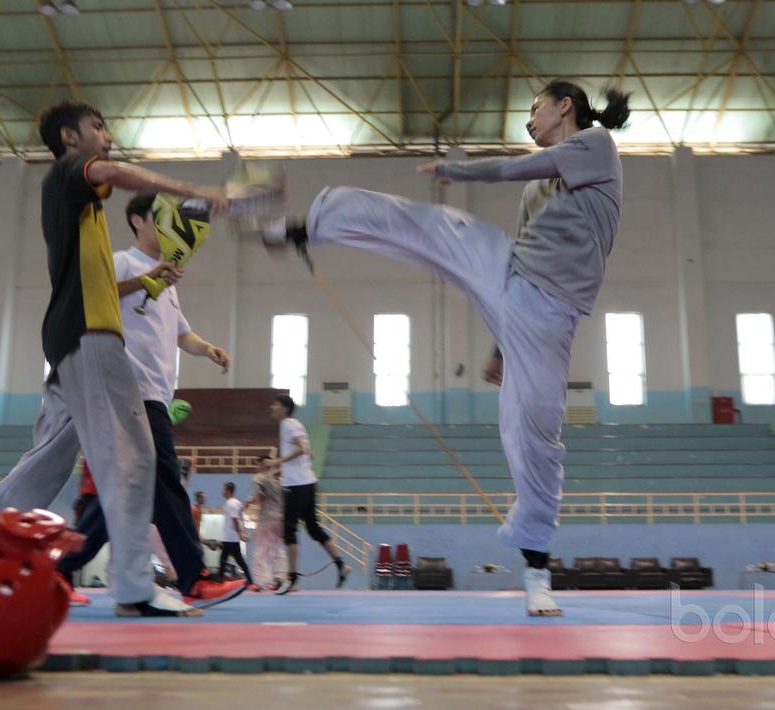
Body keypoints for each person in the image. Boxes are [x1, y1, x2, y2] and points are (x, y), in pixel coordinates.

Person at [254, 81, 630, 616]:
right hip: (508, 272)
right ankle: (309, 226)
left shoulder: (597, 146)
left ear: (564, 106)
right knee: (435, 228)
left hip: (551, 315)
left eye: (535, 109)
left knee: (537, 439)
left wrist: (460, 170)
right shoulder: (535, 193)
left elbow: (516, 167)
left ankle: (537, 573)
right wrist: (498, 347)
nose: (530, 121)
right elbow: (525, 227)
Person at [0, 99, 236, 618]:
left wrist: (153, 283)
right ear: (70, 137)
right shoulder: (70, 173)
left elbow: (103, 281)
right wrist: (199, 192)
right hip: (91, 337)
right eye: (98, 126)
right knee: (136, 458)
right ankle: (135, 589)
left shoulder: (79, 203)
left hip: (68, 339)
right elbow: (113, 172)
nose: (108, 135)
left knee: (46, 462)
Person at [52, 190, 246, 614]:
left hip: (156, 393)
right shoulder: (123, 262)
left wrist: (208, 349)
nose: (167, 227)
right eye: (159, 219)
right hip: (129, 390)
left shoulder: (170, 279)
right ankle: (194, 578)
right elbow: (95, 295)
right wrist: (148, 278)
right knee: (167, 483)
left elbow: (181, 334)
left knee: (127, 493)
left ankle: (59, 569)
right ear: (138, 221)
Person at [267, 394, 349, 595]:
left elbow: (302, 449)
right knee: (313, 527)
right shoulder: (297, 425)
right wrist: (284, 469)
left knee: (289, 529)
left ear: (284, 409)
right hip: (307, 482)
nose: (272, 407)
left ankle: (292, 579)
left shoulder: (287, 424)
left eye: (275, 404)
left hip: (296, 485)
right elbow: (310, 453)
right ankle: (341, 565)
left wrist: (277, 462)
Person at [247, 455, 288, 591]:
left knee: (261, 549)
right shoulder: (280, 480)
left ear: (262, 464)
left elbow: (260, 497)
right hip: (280, 517)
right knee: (279, 548)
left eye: (257, 464)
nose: (255, 467)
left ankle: (260, 582)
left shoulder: (259, 477)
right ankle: (280, 578)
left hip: (266, 517)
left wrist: (251, 502)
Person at [218, 482, 254, 587]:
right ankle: (250, 581)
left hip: (230, 537)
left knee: (223, 559)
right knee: (238, 560)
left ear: (228, 490)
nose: (222, 492)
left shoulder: (231, 503)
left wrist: (241, 533)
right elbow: (240, 514)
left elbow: (236, 520)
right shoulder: (236, 503)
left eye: (223, 489)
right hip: (232, 537)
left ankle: (219, 581)